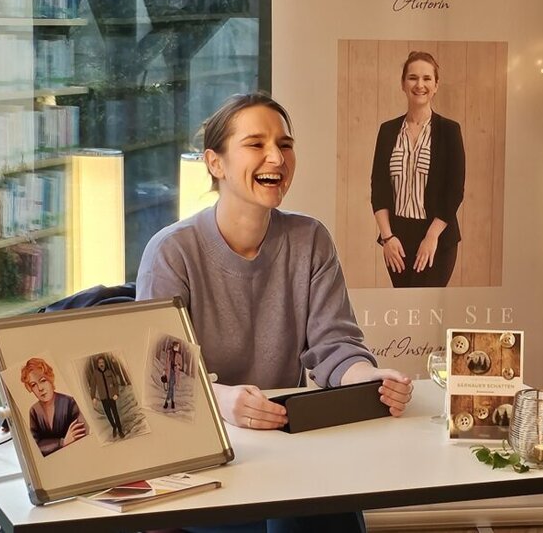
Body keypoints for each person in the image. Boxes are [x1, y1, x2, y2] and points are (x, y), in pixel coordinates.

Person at [137, 92, 412, 533]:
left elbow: (335, 346)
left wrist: (368, 379)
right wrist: (223, 401)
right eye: (255, 144)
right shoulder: (171, 252)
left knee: (328, 513)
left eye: (285, 144)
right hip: (203, 459)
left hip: (286, 448)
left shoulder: (310, 239)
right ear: (215, 163)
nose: (276, 157)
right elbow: (161, 382)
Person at [371, 51, 466, 287]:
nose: (419, 85)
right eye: (413, 78)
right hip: (397, 241)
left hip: (437, 239)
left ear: (436, 86)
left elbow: (454, 191)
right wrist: (387, 237)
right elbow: (379, 189)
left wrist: (431, 237)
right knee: (404, 312)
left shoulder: (449, 131)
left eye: (426, 79)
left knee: (429, 310)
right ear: (403, 84)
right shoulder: (387, 131)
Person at [20, 357, 87, 457]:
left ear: (50, 379)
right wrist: (62, 442)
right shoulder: (34, 411)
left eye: (43, 380)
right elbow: (37, 446)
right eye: (33, 385)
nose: (40, 388)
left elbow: (82, 434)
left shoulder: (69, 402)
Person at [90, 355, 125, 439]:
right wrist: (93, 397)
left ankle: (120, 430)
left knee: (115, 414)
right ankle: (114, 427)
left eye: (102, 362)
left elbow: (115, 383)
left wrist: (116, 393)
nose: (101, 364)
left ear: (105, 363)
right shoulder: (95, 373)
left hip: (112, 397)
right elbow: (93, 386)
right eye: (99, 363)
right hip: (103, 398)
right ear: (97, 364)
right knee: (109, 415)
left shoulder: (109, 372)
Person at [163, 339, 183, 410]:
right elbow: (166, 363)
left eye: (178, 347)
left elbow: (181, 366)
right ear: (174, 346)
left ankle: (167, 402)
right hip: (169, 372)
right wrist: (164, 372)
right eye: (177, 346)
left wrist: (178, 366)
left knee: (171, 388)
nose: (178, 348)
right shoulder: (169, 353)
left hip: (175, 373)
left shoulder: (179, 356)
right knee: (171, 387)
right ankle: (172, 402)